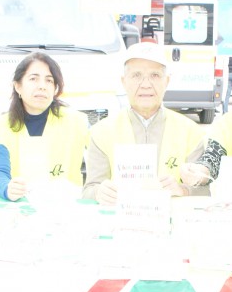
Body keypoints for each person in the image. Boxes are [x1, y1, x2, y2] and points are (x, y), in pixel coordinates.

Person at [82, 42, 208, 205]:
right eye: (136, 75)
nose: (146, 84)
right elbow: (89, 190)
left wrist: (183, 190)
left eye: (155, 75)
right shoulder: (102, 132)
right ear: (124, 81)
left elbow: (205, 191)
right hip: (120, 218)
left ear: (167, 81)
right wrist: (99, 192)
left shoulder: (190, 132)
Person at [0, 52, 89, 201]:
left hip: (66, 207)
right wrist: (7, 188)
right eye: (33, 79)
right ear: (18, 86)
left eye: (49, 80)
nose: (42, 86)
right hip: (19, 208)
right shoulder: (0, 127)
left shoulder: (77, 122)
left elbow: (100, 161)